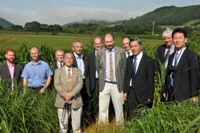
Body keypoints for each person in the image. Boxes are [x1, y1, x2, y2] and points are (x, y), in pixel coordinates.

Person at [96, 33, 126, 125]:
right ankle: (103, 127)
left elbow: (123, 68)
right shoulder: (100, 52)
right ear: (104, 42)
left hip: (117, 84)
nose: (109, 43)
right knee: (103, 108)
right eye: (107, 42)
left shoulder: (121, 51)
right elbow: (98, 68)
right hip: (105, 83)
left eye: (110, 41)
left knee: (119, 108)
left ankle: (120, 127)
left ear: (114, 41)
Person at [123, 37, 154, 120]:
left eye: (135, 46)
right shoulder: (129, 60)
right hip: (131, 93)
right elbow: (127, 77)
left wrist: (150, 97)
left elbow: (151, 80)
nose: (133, 48)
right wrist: (125, 91)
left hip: (143, 94)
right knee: (131, 116)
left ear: (141, 46)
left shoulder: (148, 60)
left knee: (142, 117)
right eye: (131, 46)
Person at [164, 28, 199, 102]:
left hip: (184, 94)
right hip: (171, 93)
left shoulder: (191, 56)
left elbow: (194, 76)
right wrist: (165, 90)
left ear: (185, 40)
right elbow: (167, 74)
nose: (177, 40)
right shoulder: (171, 56)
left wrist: (194, 94)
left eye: (180, 38)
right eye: (175, 38)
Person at [54, 52, 83, 133]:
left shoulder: (77, 71)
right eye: (67, 58)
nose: (69, 60)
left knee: (76, 125)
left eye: (71, 58)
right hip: (62, 100)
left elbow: (80, 83)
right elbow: (57, 85)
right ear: (63, 59)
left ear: (73, 60)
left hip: (76, 100)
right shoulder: (58, 71)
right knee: (63, 125)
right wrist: (65, 95)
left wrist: (71, 94)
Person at [85, 37, 103, 124]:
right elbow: (87, 72)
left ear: (102, 44)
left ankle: (102, 120)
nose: (97, 45)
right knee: (93, 101)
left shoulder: (106, 54)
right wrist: (88, 85)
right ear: (94, 45)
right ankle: (92, 121)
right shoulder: (89, 56)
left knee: (102, 101)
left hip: (103, 81)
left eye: (99, 43)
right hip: (93, 82)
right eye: (96, 44)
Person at [71, 41, 89, 128]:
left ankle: (84, 124)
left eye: (81, 47)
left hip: (84, 83)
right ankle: (75, 126)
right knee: (75, 105)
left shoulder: (84, 58)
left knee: (85, 104)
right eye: (77, 47)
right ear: (73, 48)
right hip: (74, 85)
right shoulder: (70, 58)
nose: (79, 49)